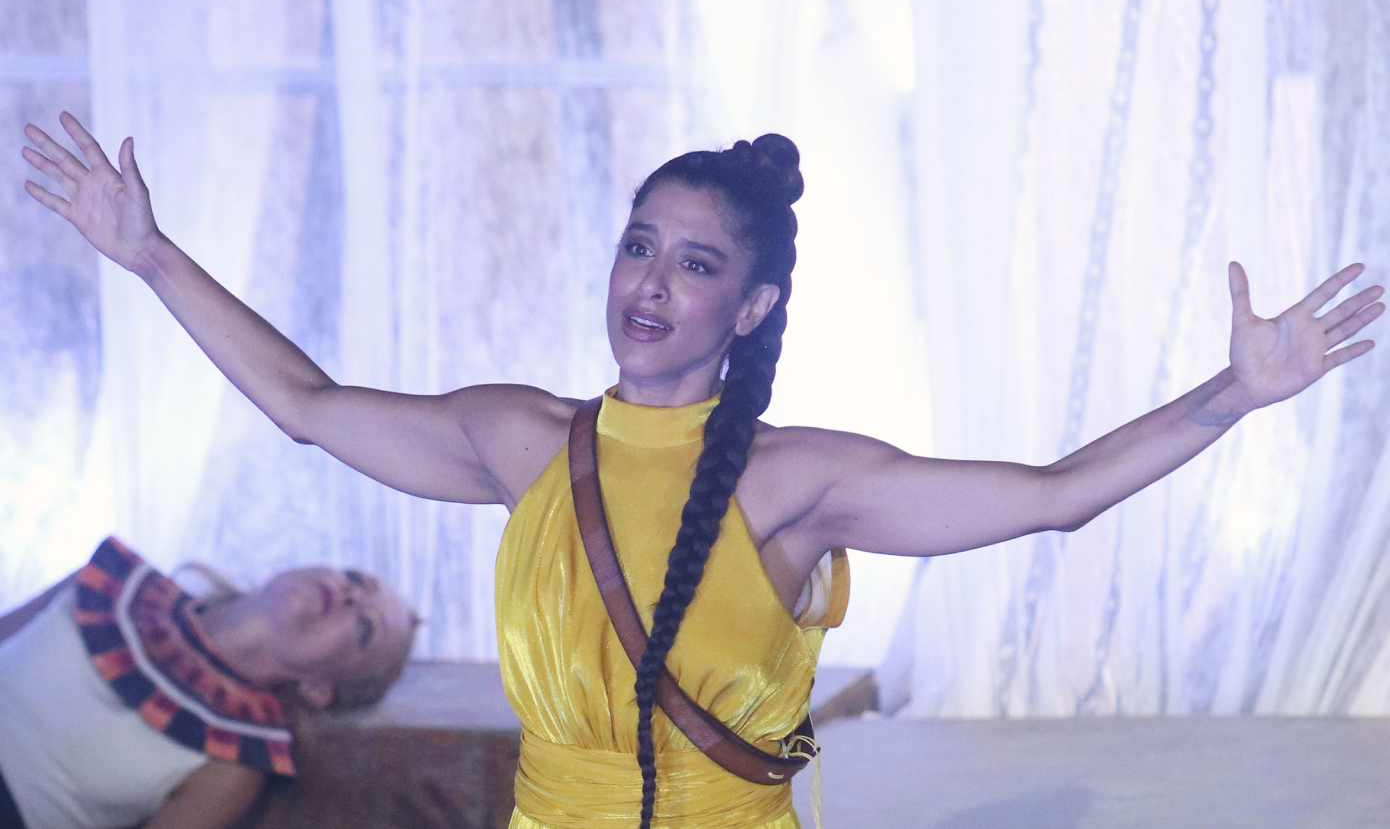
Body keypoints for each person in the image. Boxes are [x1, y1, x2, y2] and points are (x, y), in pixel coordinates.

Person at [20, 113, 1384, 829]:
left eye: (694, 262)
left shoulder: (798, 483)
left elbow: (1051, 496)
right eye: (637, 245)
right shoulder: (524, 439)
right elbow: (308, 406)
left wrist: (1232, 393)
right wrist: (151, 256)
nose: (650, 283)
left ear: (750, 306)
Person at [0, 535, 416, 829]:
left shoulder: (233, 764)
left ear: (318, 689)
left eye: (365, 627)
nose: (351, 595)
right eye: (355, 579)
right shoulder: (109, 581)